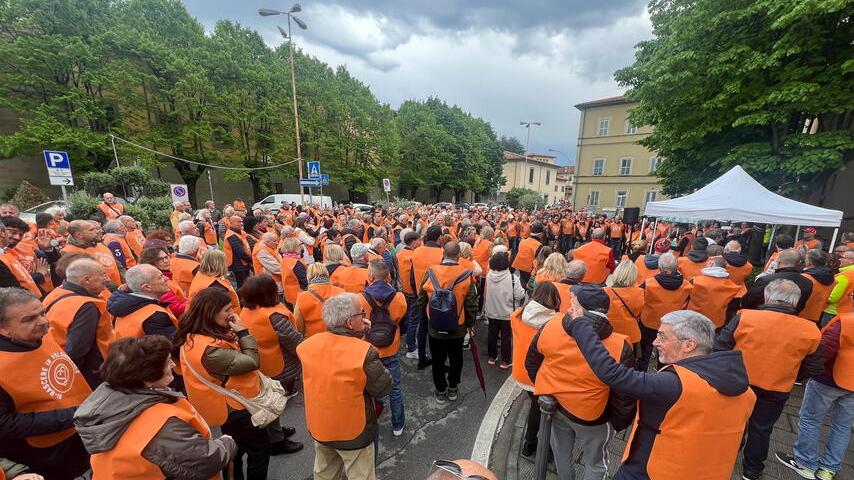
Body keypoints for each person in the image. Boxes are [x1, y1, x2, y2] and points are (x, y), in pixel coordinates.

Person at [568, 309, 756, 479]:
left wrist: (580, 324)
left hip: (651, 470)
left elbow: (612, 373)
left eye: (663, 336)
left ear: (689, 345)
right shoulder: (747, 393)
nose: (654, 342)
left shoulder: (675, 384)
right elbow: (738, 441)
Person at [74, 336, 237, 479]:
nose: (173, 364)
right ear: (147, 379)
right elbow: (206, 461)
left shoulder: (110, 399)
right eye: (167, 363)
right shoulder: (160, 425)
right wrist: (226, 443)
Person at [714, 279, 823, 480]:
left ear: (766, 296)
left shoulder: (744, 317)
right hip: (777, 387)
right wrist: (790, 374)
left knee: (732, 422)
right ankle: (752, 470)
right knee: (762, 429)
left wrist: (726, 372)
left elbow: (721, 347)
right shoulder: (811, 330)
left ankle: (724, 458)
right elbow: (814, 366)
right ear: (796, 302)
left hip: (740, 381)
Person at [525, 284, 635, 480]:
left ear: (577, 308)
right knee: (595, 462)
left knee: (561, 453)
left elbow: (532, 363)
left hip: (555, 405)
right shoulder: (620, 346)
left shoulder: (551, 325)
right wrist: (617, 424)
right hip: (592, 415)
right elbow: (624, 396)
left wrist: (547, 390)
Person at [175, 288, 271, 480]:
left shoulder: (195, 336)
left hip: (223, 405)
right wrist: (243, 333)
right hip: (235, 406)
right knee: (259, 449)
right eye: (227, 309)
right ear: (211, 312)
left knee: (235, 448)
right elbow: (251, 362)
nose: (232, 313)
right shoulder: (210, 350)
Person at [297, 293, 392, 480]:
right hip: (353, 431)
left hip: (321, 426)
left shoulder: (306, 346)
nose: (364, 317)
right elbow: (383, 387)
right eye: (361, 313)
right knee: (361, 475)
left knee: (324, 473)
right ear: (350, 322)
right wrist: (364, 340)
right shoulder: (364, 352)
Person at [0, 288, 91, 480]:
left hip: (80, 434)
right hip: (45, 455)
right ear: (3, 328)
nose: (43, 321)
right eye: (29, 319)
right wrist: (73, 415)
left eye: (43, 313)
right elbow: (5, 424)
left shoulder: (41, 336)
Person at [776, 312, 854, 480]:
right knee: (842, 426)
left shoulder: (845, 322)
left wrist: (807, 371)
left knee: (811, 419)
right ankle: (828, 469)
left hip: (829, 379)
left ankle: (805, 462)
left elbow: (825, 350)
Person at [238, 275, 305, 455]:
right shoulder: (274, 315)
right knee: (272, 401)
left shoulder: (246, 310)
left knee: (268, 399)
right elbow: (293, 340)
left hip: (259, 362)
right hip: (278, 364)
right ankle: (276, 441)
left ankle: (275, 430)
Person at [417, 241, 478, 403]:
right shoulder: (466, 274)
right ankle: (453, 388)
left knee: (437, 360)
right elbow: (471, 303)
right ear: (458, 255)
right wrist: (470, 324)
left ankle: (440, 390)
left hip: (435, 326)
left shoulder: (430, 272)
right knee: (456, 358)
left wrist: (428, 315)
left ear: (443, 253)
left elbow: (421, 298)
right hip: (457, 326)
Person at [42, 257, 113, 388]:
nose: (107, 279)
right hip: (86, 376)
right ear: (87, 280)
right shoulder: (86, 307)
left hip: (53, 362)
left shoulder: (57, 293)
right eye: (102, 275)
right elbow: (77, 350)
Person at [509, 282, 561, 457]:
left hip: (520, 372)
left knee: (534, 404)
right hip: (539, 374)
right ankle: (531, 443)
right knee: (538, 409)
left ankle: (530, 443)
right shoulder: (555, 323)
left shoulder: (517, 316)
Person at [359, 259, 407, 436]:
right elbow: (403, 323)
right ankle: (398, 424)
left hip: (369, 351)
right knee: (395, 387)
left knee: (371, 388)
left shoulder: (360, 299)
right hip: (391, 348)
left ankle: (374, 418)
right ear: (388, 277)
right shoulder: (399, 298)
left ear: (370, 276)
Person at [638, 253, 692, 372]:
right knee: (665, 356)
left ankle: (641, 375)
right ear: (676, 267)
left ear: (659, 267)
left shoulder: (648, 283)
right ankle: (662, 375)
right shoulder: (687, 286)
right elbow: (686, 304)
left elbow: (638, 299)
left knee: (644, 354)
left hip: (648, 323)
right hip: (671, 326)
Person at [108, 264, 177, 340]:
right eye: (160, 277)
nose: (166, 278)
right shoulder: (155, 316)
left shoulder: (123, 306)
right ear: (147, 287)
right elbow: (172, 344)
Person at [482, 249, 526, 368]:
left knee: (492, 334)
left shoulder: (489, 276)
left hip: (492, 311)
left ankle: (492, 357)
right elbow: (520, 295)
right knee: (506, 336)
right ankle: (505, 361)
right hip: (507, 313)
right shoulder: (512, 278)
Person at [410, 225, 445, 369]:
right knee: (437, 330)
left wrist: (416, 293)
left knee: (422, 327)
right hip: (438, 297)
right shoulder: (442, 253)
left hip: (421, 294)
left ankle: (422, 358)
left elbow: (412, 276)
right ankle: (438, 361)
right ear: (440, 237)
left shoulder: (417, 251)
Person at [742, 249, 813, 313]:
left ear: (779, 261)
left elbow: (747, 302)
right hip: (791, 318)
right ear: (799, 263)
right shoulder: (808, 283)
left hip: (762, 316)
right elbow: (801, 305)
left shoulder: (765, 280)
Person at [0, 218, 55, 297]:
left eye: (21, 234)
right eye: (13, 232)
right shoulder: (4, 255)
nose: (17, 237)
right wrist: (38, 275)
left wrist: (46, 249)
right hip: (19, 299)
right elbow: (12, 285)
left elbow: (53, 262)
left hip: (42, 295)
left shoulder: (27, 247)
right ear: (2, 231)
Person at [686, 256, 742, 329]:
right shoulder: (732, 286)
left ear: (711, 264)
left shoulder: (696, 280)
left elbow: (686, 297)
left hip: (693, 318)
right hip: (716, 322)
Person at [63, 220, 122, 286]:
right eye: (91, 230)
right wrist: (114, 289)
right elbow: (85, 277)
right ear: (79, 235)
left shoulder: (101, 245)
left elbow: (119, 266)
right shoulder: (69, 252)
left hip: (119, 289)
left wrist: (125, 284)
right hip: (100, 290)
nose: (97, 232)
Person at [293, 263, 345, 337]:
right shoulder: (341, 292)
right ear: (326, 273)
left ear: (308, 276)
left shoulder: (302, 297)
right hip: (339, 337)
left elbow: (298, 326)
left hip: (314, 339)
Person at [138, 246, 189, 318]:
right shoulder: (158, 282)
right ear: (151, 263)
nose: (166, 261)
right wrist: (192, 302)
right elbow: (176, 309)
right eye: (160, 259)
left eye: (166, 257)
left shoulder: (168, 276)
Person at [604, 259, 644, 347]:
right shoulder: (639, 293)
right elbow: (638, 314)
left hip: (609, 332)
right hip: (630, 334)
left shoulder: (605, 291)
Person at [397, 231, 422, 358]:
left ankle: (409, 341)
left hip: (404, 290)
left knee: (408, 317)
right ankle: (412, 348)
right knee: (414, 321)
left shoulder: (400, 253)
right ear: (413, 242)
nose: (421, 242)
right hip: (413, 292)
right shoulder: (414, 256)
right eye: (419, 240)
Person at [800, 249, 836, 324]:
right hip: (817, 314)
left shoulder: (804, 277)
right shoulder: (833, 278)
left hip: (801, 313)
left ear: (809, 262)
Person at [822, 249, 854, 325]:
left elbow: (832, 298)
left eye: (843, 257)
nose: (840, 259)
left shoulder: (845, 276)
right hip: (849, 312)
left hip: (833, 312)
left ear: (851, 261)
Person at [511, 223, 544, 288]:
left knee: (522, 282)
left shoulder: (523, 241)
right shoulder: (538, 245)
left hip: (520, 267)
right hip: (530, 270)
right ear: (540, 234)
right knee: (528, 285)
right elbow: (538, 261)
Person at [224, 216, 253, 288]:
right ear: (231, 223)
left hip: (243, 264)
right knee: (242, 286)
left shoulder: (237, 233)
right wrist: (252, 260)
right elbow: (240, 252)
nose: (241, 223)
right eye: (239, 222)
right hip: (238, 266)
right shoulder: (232, 235)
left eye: (242, 221)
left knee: (245, 285)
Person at [279, 236, 308, 309]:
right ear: (294, 247)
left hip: (289, 294)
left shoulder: (284, 259)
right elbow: (305, 281)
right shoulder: (296, 263)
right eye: (299, 246)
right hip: (299, 295)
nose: (301, 248)